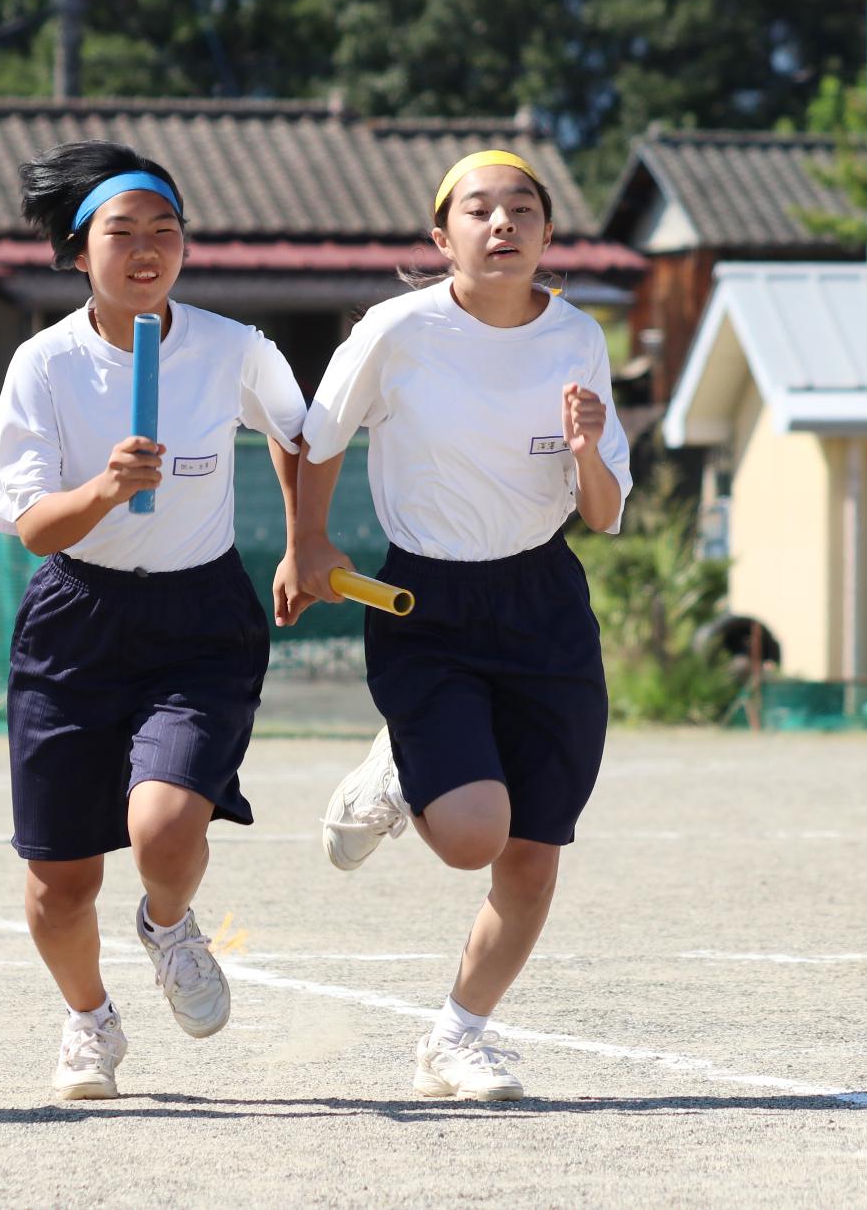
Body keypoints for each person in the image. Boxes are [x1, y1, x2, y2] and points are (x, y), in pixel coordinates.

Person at [276, 149, 631, 1101]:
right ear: (443, 236)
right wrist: (305, 541)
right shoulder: (397, 329)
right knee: (475, 833)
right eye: (480, 209)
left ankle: (458, 1036)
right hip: (426, 602)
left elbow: (602, 512)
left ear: (549, 235)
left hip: (544, 602)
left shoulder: (578, 338)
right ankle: (405, 767)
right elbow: (318, 431)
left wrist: (592, 448)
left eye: (524, 208)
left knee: (531, 856)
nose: (503, 223)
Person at [0, 140, 306, 1100]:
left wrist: (304, 541)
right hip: (76, 617)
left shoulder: (232, 346)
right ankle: (89, 1021)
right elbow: (34, 524)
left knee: (166, 825)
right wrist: (104, 488)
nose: (146, 250)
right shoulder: (43, 363)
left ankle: (169, 924)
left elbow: (300, 432)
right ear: (79, 252)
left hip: (199, 614)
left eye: (165, 231)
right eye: (121, 234)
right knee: (59, 885)